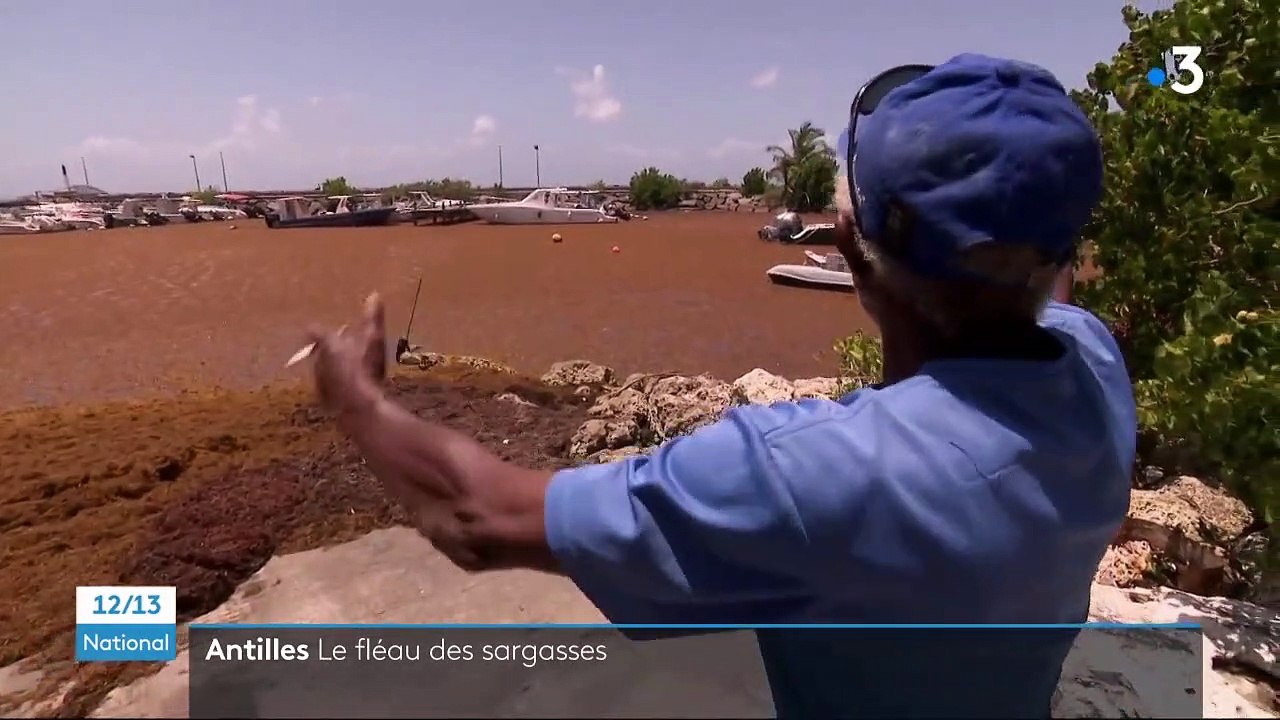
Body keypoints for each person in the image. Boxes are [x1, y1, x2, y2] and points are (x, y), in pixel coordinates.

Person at [303, 54, 1135, 718]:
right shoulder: (1093, 368)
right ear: (1058, 256)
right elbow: (1047, 300)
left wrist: (360, 403)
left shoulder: (811, 475)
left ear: (849, 246)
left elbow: (478, 519)